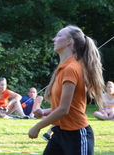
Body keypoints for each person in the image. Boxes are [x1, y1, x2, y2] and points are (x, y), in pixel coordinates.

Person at [27, 25, 105, 154]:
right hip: (59, 133)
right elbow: (66, 106)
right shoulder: (64, 68)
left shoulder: (71, 68)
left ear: (69, 41)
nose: (54, 39)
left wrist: (37, 126)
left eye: (59, 36)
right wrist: (45, 111)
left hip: (77, 135)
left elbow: (64, 109)